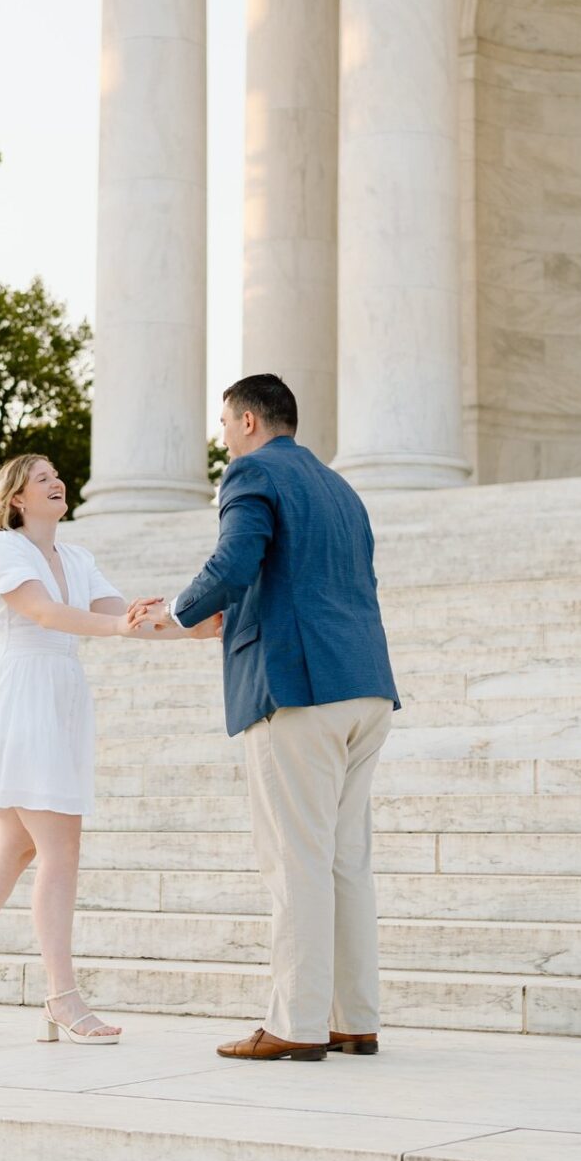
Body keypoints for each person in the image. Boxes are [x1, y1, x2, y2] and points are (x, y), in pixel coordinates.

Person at [126, 372, 399, 1062]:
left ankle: (296, 1024)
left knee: (296, 862)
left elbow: (235, 560)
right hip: (365, 684)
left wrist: (176, 613)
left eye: (224, 425)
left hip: (297, 688)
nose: (223, 440)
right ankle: (352, 1019)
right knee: (346, 862)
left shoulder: (252, 473)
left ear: (248, 421)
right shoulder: (341, 488)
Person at [0, 454, 201, 1044]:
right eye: (42, 478)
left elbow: (122, 616)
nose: (57, 483)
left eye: (57, 476)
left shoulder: (76, 557)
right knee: (60, 849)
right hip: (21, 694)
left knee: (14, 850)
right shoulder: (2, 549)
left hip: (59, 698)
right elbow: (44, 614)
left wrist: (197, 628)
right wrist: (122, 626)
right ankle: (62, 998)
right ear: (17, 497)